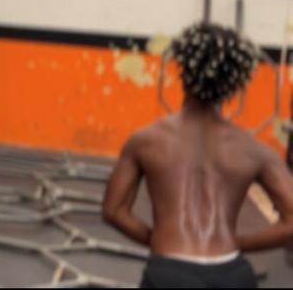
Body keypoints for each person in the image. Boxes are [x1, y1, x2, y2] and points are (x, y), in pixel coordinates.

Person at [103, 22, 293, 288]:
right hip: (232, 274)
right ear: (235, 83)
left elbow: (113, 211)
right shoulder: (255, 150)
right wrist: (235, 245)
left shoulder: (145, 140)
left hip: (169, 272)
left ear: (183, 70)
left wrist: (155, 239)